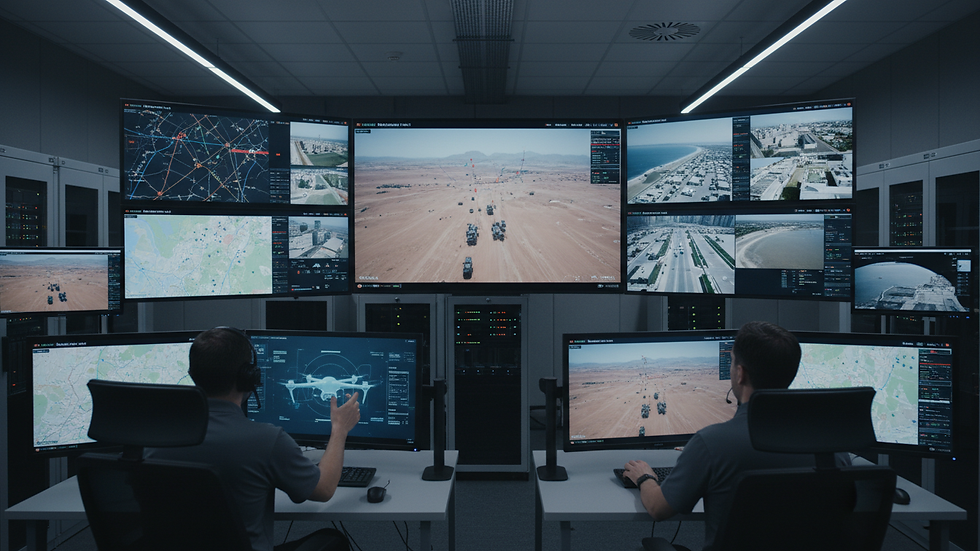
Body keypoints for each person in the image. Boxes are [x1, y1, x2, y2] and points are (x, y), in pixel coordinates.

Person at [621, 321, 848, 551]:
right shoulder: (832, 448)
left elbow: (658, 509)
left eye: (731, 363)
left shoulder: (712, 444)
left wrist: (645, 477)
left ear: (740, 374)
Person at [148, 327, 360, 551]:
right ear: (249, 378)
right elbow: (324, 489)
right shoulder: (267, 441)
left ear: (192, 375)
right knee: (333, 541)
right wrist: (339, 429)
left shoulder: (154, 439)